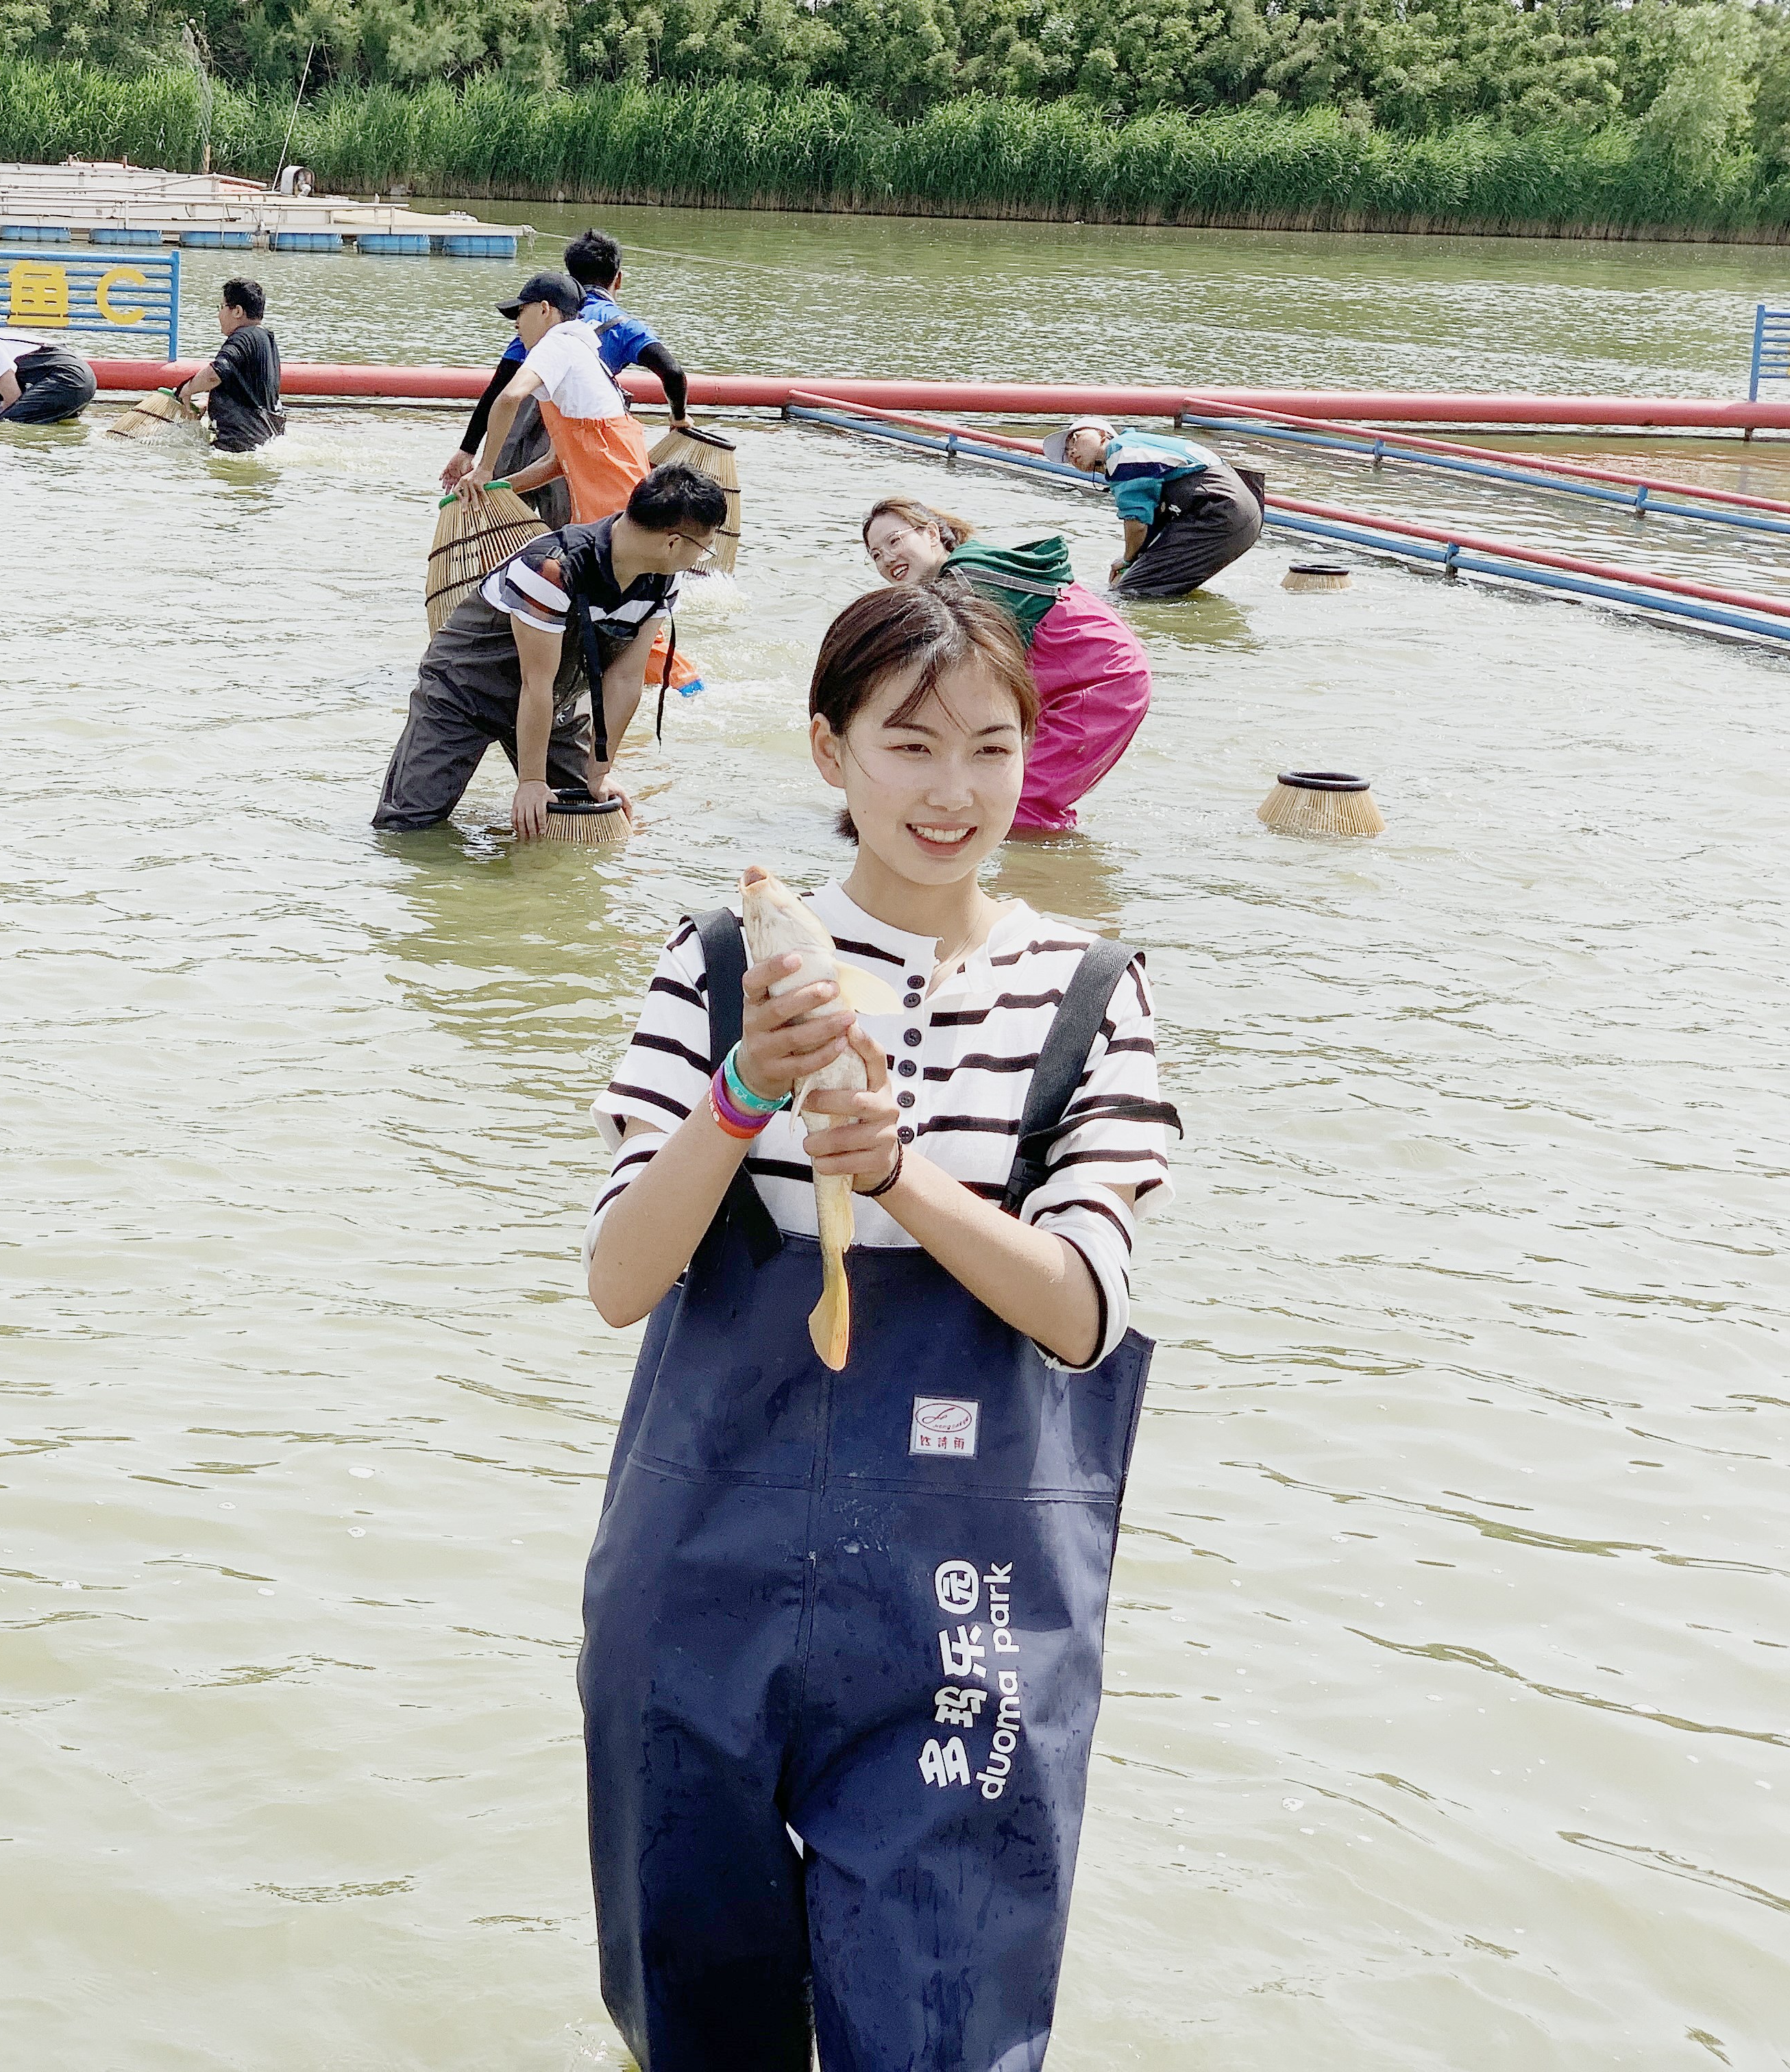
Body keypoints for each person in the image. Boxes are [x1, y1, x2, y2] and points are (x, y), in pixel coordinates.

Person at [578, 581, 1180, 2072]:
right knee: (691, 2015)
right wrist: (741, 1098)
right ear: (828, 752)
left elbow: (1085, 1311)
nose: (954, 791)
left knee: (938, 2025)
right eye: (909, 746)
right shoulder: (718, 965)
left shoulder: (1087, 993)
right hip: (698, 1582)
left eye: (992, 746)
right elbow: (617, 1279)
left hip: (966, 1604)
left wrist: (900, 1173)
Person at [373, 465, 725, 837]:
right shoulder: (551, 569)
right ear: (672, 543)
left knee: (587, 814)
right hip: (464, 693)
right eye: (703, 549)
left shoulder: (661, 581)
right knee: (407, 829)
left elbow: (624, 677)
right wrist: (530, 781)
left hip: (553, 701)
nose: (699, 558)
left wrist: (599, 771)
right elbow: (534, 682)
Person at [864, 497, 1153, 837]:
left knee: (1022, 804)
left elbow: (962, 676)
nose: (887, 559)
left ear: (930, 534)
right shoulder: (970, 566)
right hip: (1084, 678)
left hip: (1100, 683)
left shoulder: (965, 582)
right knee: (1009, 794)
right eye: (876, 555)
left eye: (894, 541)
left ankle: (1039, 882)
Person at [441, 227, 691, 521]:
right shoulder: (590, 340)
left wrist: (482, 466)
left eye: (521, 313)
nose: (516, 324)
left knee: (515, 543)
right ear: (618, 279)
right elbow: (556, 462)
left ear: (545, 309)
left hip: (609, 509)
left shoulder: (556, 342)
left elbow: (506, 394)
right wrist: (497, 488)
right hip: (623, 502)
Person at [1041, 417, 1262, 598]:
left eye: (1075, 439)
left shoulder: (1120, 453)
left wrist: (1128, 560)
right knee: (1152, 585)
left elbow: (1137, 524)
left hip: (1218, 511)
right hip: (1241, 510)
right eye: (1067, 453)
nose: (1071, 452)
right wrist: (1133, 562)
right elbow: (1152, 530)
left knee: (1133, 592)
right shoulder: (1141, 447)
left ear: (1102, 434)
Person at [175, 276, 284, 452]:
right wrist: (208, 403)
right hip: (265, 440)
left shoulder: (243, 337)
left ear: (237, 311)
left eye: (222, 307)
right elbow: (250, 394)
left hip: (238, 445)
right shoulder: (266, 340)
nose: (219, 314)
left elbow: (215, 373)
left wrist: (186, 389)